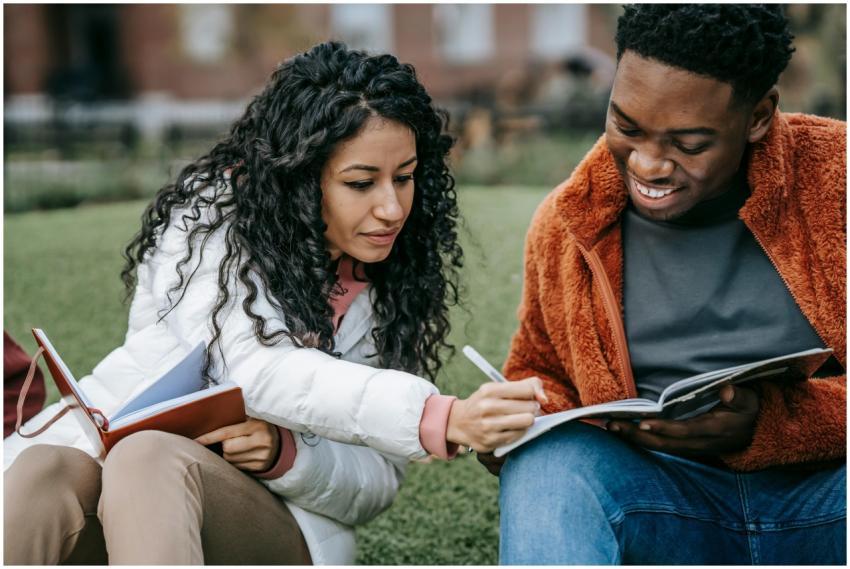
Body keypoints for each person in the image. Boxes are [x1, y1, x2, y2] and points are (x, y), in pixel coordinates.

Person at [4, 42, 545, 565]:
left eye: (404, 178)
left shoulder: (392, 283)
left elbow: (373, 484)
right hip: (125, 499)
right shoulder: (209, 225)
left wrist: (288, 456)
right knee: (45, 469)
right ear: (299, 179)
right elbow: (253, 365)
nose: (391, 207)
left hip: (274, 526)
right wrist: (438, 415)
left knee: (149, 458)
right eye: (361, 183)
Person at [485, 5, 846, 565]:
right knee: (547, 466)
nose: (649, 165)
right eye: (626, 127)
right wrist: (514, 417)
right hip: (661, 505)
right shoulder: (569, 222)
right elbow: (543, 370)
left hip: (828, 500)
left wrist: (774, 423)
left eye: (690, 143)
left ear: (759, 116)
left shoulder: (836, 180)